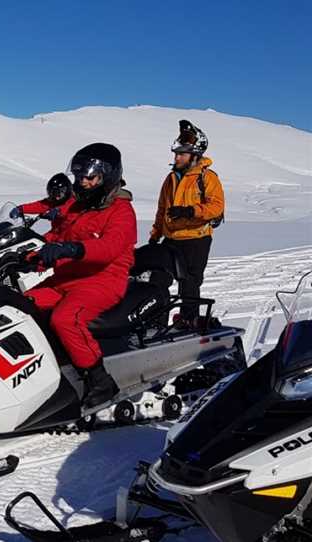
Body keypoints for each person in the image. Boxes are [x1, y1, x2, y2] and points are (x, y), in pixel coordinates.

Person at [24, 143, 137, 408]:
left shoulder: (121, 211)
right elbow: (57, 235)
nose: (83, 183)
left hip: (102, 281)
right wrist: (29, 254)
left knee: (66, 319)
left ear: (107, 177)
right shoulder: (79, 207)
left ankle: (99, 380)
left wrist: (73, 248)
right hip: (67, 278)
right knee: (19, 305)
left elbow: (109, 246)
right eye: (79, 177)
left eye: (90, 177)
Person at [149, 120, 225, 327]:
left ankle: (188, 320)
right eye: (176, 154)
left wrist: (190, 211)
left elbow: (216, 206)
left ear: (194, 155)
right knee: (158, 279)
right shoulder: (171, 178)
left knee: (189, 283)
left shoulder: (207, 178)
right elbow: (161, 209)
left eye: (181, 154)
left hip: (196, 238)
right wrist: (155, 236)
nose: (177, 157)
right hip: (171, 238)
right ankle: (156, 321)